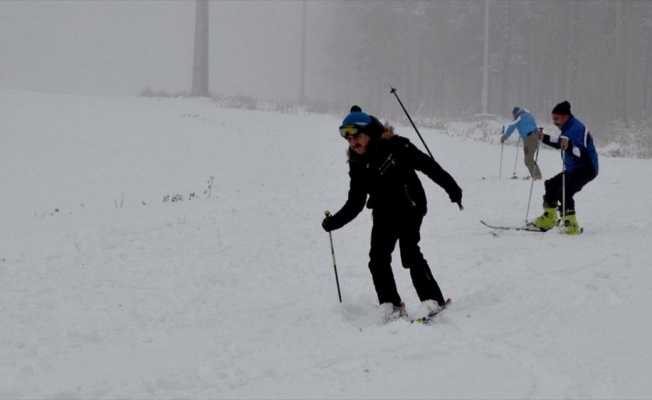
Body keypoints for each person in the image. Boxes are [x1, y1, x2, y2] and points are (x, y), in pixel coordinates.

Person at [321, 105, 463, 321]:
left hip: (411, 205)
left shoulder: (396, 145)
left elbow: (428, 166)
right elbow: (356, 200)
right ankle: (391, 305)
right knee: (377, 258)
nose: (352, 143)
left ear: (368, 132)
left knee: (409, 252)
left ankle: (433, 300)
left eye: (356, 137)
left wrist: (452, 189)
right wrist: (335, 221)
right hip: (383, 211)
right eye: (347, 139)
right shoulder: (357, 161)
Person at [530, 101, 599, 234]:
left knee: (565, 191)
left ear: (565, 116)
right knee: (551, 185)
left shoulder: (576, 129)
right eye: (553, 119)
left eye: (556, 119)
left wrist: (569, 147)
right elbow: (560, 142)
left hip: (587, 168)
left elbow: (580, 154)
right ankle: (550, 218)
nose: (554, 122)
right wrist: (544, 138)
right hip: (574, 169)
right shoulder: (568, 128)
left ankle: (571, 224)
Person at [501, 107, 543, 180]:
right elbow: (529, 125)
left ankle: (537, 175)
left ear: (515, 114)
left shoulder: (519, 117)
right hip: (536, 137)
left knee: (528, 159)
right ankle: (536, 174)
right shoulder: (529, 116)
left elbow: (511, 127)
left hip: (529, 138)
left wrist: (504, 137)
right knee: (529, 158)